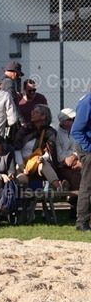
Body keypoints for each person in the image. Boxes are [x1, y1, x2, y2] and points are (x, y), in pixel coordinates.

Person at [71, 90, 91, 231]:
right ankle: (82, 222)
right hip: (87, 148)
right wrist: (89, 148)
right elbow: (76, 130)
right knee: (87, 185)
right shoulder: (87, 102)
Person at [56, 107, 83, 190]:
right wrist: (73, 157)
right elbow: (60, 157)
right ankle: (76, 197)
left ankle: (76, 197)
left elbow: (79, 149)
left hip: (74, 161)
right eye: (73, 119)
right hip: (61, 167)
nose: (75, 121)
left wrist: (74, 157)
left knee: (81, 168)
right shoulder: (56, 134)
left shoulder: (74, 132)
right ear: (64, 121)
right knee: (78, 171)